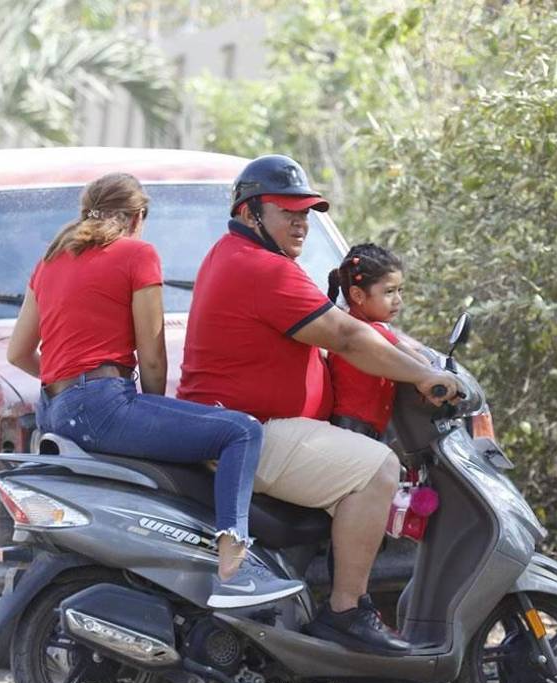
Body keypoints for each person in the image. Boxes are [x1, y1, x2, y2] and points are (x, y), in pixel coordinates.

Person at [178, 155, 461, 653]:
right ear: (250, 214)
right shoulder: (260, 267)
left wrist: (412, 355)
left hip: (248, 427)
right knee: (377, 469)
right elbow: (348, 337)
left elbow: (354, 329)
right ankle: (346, 612)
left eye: (306, 212)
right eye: (287, 211)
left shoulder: (244, 258)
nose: (301, 221)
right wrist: (423, 376)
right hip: (254, 431)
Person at [7, 172, 302, 609]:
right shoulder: (137, 253)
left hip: (54, 408)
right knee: (240, 432)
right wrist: (150, 403)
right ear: (138, 216)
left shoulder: (51, 260)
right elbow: (152, 357)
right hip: (103, 405)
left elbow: (18, 353)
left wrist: (69, 379)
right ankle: (234, 571)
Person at [325, 243, 429, 440]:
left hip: (347, 425)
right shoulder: (371, 332)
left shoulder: (347, 326)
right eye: (389, 292)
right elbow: (420, 363)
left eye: (400, 290)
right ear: (358, 295)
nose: (398, 300)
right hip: (356, 430)